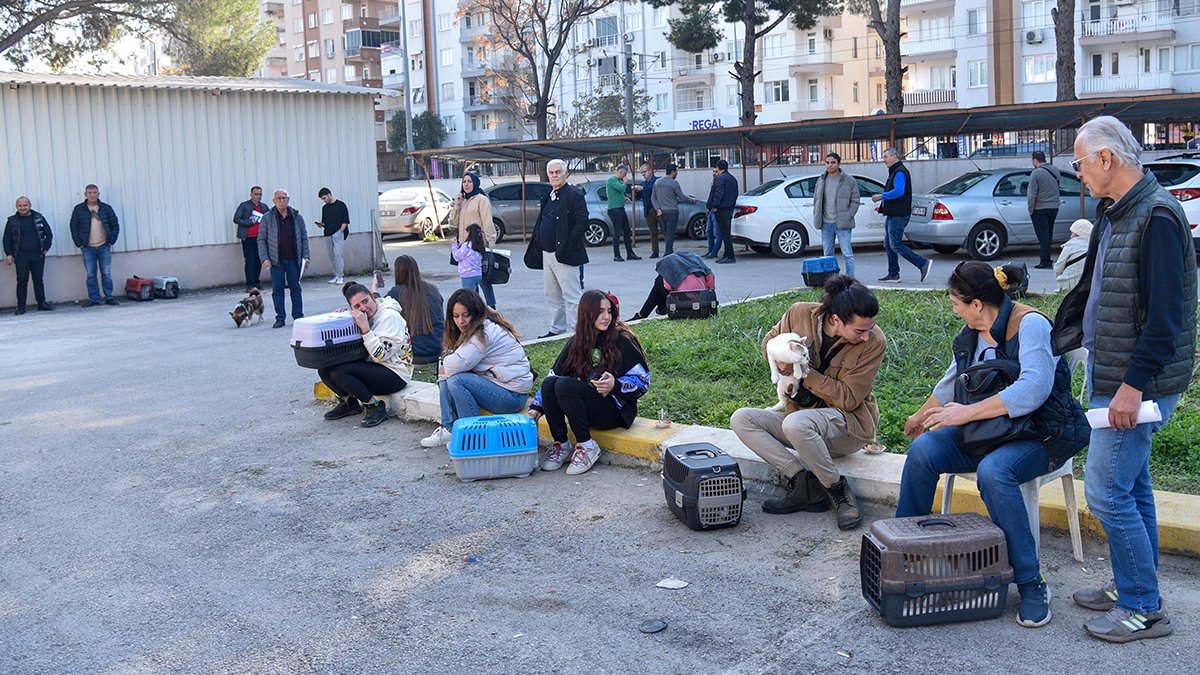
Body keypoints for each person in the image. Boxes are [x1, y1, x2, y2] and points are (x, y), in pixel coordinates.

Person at [1053, 115, 1197, 643]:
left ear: (1107, 159)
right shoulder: (1121, 211)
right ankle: (1133, 584)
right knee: (1132, 488)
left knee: (1107, 491)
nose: (1080, 172)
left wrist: (1132, 388)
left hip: (1137, 383)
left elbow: (1166, 319)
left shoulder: (1156, 215)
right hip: (1113, 372)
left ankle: (1143, 608)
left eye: (1080, 162)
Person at [896, 261, 1060, 628]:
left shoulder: (1030, 324)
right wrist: (921, 417)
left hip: (1038, 434)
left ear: (975, 304)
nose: (953, 308)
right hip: (988, 432)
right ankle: (905, 553)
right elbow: (951, 384)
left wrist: (966, 415)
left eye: (955, 302)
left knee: (994, 471)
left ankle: (1032, 584)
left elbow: (1034, 388)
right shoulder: (973, 332)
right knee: (923, 450)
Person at [730, 276, 886, 529]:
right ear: (836, 319)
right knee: (742, 419)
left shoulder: (874, 343)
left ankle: (837, 490)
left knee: (795, 424)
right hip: (801, 423)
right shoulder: (798, 313)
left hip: (845, 429)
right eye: (860, 330)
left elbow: (848, 398)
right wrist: (781, 361)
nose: (867, 336)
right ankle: (803, 483)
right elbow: (769, 343)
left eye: (870, 328)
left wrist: (806, 372)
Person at [528, 290, 650, 476]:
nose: (606, 317)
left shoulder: (622, 339)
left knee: (564, 385)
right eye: (600, 312)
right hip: (588, 408)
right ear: (586, 313)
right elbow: (554, 374)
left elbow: (643, 381)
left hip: (615, 411)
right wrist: (537, 407)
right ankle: (562, 444)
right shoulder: (578, 341)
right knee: (550, 384)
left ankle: (587, 446)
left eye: (609, 311)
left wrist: (615, 385)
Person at [421, 289, 534, 448]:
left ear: (476, 313)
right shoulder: (477, 329)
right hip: (499, 386)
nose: (460, 321)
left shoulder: (483, 334)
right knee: (449, 375)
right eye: (456, 316)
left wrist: (446, 362)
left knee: (456, 379)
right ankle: (449, 429)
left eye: (465, 315)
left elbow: (454, 365)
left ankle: (473, 435)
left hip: (512, 396)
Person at [319, 282, 412, 428]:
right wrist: (342, 320)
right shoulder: (364, 316)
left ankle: (375, 407)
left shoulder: (389, 316)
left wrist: (365, 330)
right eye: (357, 306)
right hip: (375, 367)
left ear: (372, 297)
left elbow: (380, 355)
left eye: (365, 301)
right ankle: (349, 403)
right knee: (324, 367)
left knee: (341, 372)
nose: (363, 308)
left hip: (396, 372)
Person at [524, 158, 589, 339]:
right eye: (551, 173)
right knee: (552, 295)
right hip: (547, 254)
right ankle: (556, 329)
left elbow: (583, 221)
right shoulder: (548, 196)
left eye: (557, 172)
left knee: (571, 296)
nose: (554, 176)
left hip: (565, 254)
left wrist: (569, 243)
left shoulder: (574, 194)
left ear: (565, 173)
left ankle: (576, 332)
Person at [872, 148, 931, 283]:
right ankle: (893, 274)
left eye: (886, 156)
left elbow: (899, 191)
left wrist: (881, 196)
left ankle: (922, 263)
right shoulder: (895, 171)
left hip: (899, 214)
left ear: (894, 156)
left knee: (895, 244)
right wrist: (883, 206)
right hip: (893, 213)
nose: (884, 160)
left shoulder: (899, 171)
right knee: (888, 244)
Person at [258, 189, 310, 328]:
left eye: (284, 198)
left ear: (288, 199)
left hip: (294, 259)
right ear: (274, 201)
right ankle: (280, 318)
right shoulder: (267, 218)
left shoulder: (296, 217)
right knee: (278, 290)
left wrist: (306, 257)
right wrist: (264, 258)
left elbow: (304, 238)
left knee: (296, 288)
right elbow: (261, 240)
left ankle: (298, 317)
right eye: (279, 198)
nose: (282, 201)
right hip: (276, 261)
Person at [378, 254, 443, 364]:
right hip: (438, 349)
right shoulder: (433, 289)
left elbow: (379, 311)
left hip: (415, 353)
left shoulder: (396, 293)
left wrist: (374, 291)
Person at [449, 171, 497, 307]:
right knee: (469, 277)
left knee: (483, 278)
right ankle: (474, 306)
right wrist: (457, 204)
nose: (466, 184)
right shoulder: (463, 201)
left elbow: (487, 221)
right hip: (464, 246)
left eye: (469, 181)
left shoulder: (481, 200)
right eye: (464, 182)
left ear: (475, 183)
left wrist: (491, 241)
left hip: (478, 245)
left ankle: (491, 306)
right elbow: (453, 224)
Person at [68, 183, 120, 307]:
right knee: (91, 274)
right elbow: (73, 226)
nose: (92, 195)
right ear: (85, 194)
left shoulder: (106, 208)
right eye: (89, 193)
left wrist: (111, 240)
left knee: (106, 273)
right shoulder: (79, 209)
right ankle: (94, 299)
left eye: (94, 192)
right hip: (87, 247)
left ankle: (109, 297)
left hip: (104, 246)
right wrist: (79, 242)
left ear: (98, 194)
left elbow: (115, 224)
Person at [813, 152, 861, 278]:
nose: (830, 165)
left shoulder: (849, 180)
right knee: (827, 256)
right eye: (827, 162)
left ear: (839, 164)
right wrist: (816, 214)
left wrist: (848, 215)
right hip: (825, 224)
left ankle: (851, 280)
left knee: (847, 254)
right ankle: (831, 281)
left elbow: (855, 200)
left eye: (833, 162)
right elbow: (816, 200)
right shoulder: (821, 180)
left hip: (842, 224)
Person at [3, 196, 54, 314]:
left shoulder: (38, 217)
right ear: (16, 206)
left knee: (38, 280)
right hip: (21, 256)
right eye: (20, 206)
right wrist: (9, 254)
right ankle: (21, 307)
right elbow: (6, 239)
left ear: (29, 205)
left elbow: (49, 234)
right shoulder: (12, 221)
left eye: (25, 205)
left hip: (37, 255)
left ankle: (42, 303)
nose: (22, 208)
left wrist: (45, 248)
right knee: (22, 281)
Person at [630, 250, 712, 321]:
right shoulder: (697, 263)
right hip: (702, 301)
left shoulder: (670, 266)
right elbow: (711, 280)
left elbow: (667, 287)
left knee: (659, 280)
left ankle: (643, 314)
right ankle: (659, 309)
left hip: (683, 304)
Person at [651, 163, 697, 257]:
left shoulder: (657, 182)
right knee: (671, 232)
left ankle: (669, 250)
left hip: (662, 212)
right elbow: (682, 197)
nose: (677, 173)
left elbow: (653, 198)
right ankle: (668, 252)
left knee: (666, 232)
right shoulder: (674, 183)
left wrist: (657, 208)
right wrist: (693, 201)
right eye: (676, 171)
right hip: (672, 211)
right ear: (672, 172)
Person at [1029, 151, 1061, 269]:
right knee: (1048, 234)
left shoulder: (1036, 173)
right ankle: (1047, 258)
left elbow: (1032, 194)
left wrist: (1030, 209)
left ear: (1035, 160)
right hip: (1054, 207)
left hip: (1040, 208)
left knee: (1043, 236)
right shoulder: (1055, 170)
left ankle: (1045, 260)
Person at [233, 186, 267, 292]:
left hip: (260, 238)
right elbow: (236, 219)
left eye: (260, 194)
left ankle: (256, 282)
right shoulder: (244, 206)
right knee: (250, 260)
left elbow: (270, 219)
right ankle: (250, 284)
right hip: (248, 237)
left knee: (258, 260)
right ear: (251, 195)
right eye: (256, 194)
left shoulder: (264, 207)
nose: (258, 196)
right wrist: (249, 222)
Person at [706, 159, 738, 264]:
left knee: (725, 234)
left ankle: (730, 256)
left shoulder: (721, 179)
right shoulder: (733, 179)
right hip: (729, 209)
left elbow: (718, 194)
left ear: (718, 168)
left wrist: (714, 206)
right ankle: (726, 254)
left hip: (721, 209)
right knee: (726, 233)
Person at [606, 165, 640, 261]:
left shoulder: (616, 181)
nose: (625, 176)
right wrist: (625, 183)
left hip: (620, 208)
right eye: (624, 174)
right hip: (614, 210)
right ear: (620, 172)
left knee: (627, 231)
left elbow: (617, 193)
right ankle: (617, 255)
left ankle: (630, 253)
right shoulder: (611, 180)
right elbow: (621, 188)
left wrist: (623, 198)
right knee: (617, 232)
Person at [317, 187, 349, 285]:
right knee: (331, 256)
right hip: (327, 233)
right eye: (322, 199)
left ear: (329, 194)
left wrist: (340, 231)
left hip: (338, 233)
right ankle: (336, 275)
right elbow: (325, 222)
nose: (324, 200)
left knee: (338, 254)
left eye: (324, 198)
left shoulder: (341, 205)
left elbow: (345, 221)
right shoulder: (325, 208)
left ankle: (340, 276)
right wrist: (321, 225)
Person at [1054, 218, 1093, 292]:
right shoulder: (1096, 246)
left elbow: (1058, 268)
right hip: (1088, 286)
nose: (1071, 236)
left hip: (1068, 286)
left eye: (1073, 233)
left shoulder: (1071, 245)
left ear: (1079, 233)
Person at [452, 224, 486, 298]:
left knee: (469, 298)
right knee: (475, 297)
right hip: (477, 274)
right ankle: (477, 309)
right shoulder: (479, 246)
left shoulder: (467, 246)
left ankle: (475, 309)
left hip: (468, 275)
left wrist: (454, 246)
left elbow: (457, 256)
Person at [637, 163, 662, 259]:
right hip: (648, 210)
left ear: (650, 171)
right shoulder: (643, 183)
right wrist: (636, 191)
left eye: (644, 171)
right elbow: (640, 197)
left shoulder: (657, 181)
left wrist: (643, 189)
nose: (643, 174)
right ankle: (655, 251)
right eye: (641, 172)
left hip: (658, 209)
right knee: (653, 232)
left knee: (665, 230)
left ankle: (669, 250)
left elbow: (653, 189)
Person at [702, 167, 722, 259]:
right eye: (713, 171)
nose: (714, 173)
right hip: (711, 210)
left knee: (717, 233)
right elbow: (711, 196)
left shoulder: (720, 182)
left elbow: (719, 197)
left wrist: (715, 207)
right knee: (708, 231)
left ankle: (714, 252)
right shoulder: (714, 182)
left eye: (716, 171)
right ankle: (710, 250)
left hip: (716, 210)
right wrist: (708, 208)